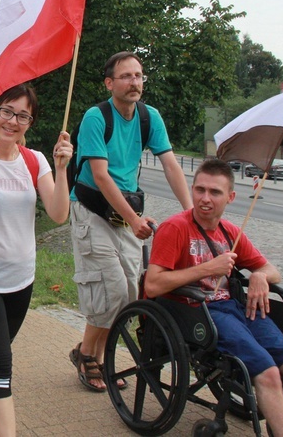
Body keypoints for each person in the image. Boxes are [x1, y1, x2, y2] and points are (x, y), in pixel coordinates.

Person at [144, 159, 283, 436]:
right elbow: (153, 284)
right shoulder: (175, 228)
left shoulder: (230, 232)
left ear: (230, 197)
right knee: (268, 372)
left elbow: (272, 270)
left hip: (234, 308)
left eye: (215, 192)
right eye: (200, 190)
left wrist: (259, 276)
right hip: (196, 311)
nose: (205, 199)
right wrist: (208, 268)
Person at [69, 51, 192, 392]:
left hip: (123, 213)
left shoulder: (149, 117)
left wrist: (191, 213)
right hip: (93, 210)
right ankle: (91, 358)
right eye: (126, 76)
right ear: (110, 83)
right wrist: (134, 218)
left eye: (138, 75)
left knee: (130, 294)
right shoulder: (97, 117)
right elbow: (101, 176)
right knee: (110, 287)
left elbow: (170, 165)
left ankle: (85, 351)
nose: (134, 82)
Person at [0, 84, 72, 437]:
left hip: (21, 280)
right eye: (7, 111)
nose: (13, 120)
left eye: (23, 115)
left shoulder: (34, 160)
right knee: (2, 364)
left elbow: (58, 213)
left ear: (29, 123)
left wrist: (62, 169)